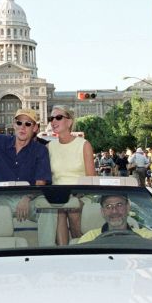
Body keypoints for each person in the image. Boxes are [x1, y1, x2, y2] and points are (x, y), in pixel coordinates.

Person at [47, 105, 95, 245]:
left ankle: (80, 247)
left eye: (58, 117)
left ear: (69, 122)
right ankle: (63, 251)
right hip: (57, 198)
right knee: (58, 211)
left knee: (73, 209)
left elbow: (91, 178)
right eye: (51, 118)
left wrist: (76, 196)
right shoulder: (49, 147)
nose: (53, 121)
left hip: (81, 195)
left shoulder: (84, 145)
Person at [78, 194, 152, 243]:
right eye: (108, 206)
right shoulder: (90, 238)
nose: (114, 211)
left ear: (128, 208)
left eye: (119, 205)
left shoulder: (143, 236)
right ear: (102, 211)